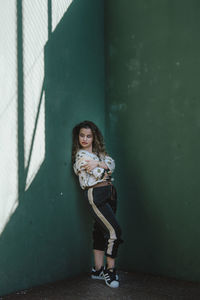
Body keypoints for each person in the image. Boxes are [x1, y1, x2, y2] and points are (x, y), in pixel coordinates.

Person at [72, 120, 123, 288]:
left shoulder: (98, 154)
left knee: (101, 231)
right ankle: (110, 270)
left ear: (94, 137)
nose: (85, 139)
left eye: (88, 136)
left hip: (110, 192)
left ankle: (98, 270)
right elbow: (99, 173)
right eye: (82, 135)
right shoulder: (81, 156)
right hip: (96, 193)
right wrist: (103, 165)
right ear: (78, 137)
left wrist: (101, 163)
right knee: (114, 231)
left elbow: (112, 164)